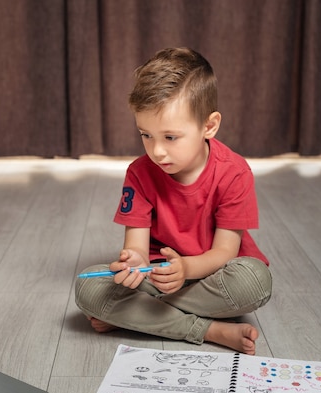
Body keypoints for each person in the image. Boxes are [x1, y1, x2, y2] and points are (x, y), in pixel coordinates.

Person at [74, 47, 272, 355]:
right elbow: (137, 249)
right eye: (146, 135)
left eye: (170, 137)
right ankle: (208, 329)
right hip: (156, 277)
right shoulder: (139, 173)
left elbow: (224, 252)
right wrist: (134, 263)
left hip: (213, 277)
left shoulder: (234, 173)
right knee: (88, 286)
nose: (157, 151)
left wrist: (185, 269)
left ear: (209, 126)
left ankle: (138, 316)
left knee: (254, 281)